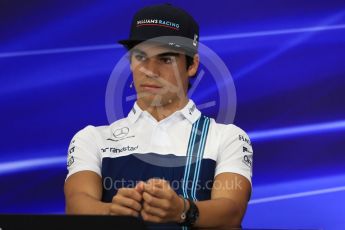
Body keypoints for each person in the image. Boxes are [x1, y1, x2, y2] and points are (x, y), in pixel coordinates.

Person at [64, 3, 253, 229]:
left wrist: (182, 210)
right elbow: (76, 205)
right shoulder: (92, 138)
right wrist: (111, 212)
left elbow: (232, 212)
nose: (150, 71)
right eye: (141, 57)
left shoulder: (227, 136)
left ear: (192, 65)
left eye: (165, 59)